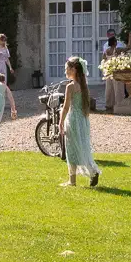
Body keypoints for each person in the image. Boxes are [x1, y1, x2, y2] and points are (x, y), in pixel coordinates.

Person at [57, 55, 100, 187]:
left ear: (73, 70)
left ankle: (72, 181)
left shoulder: (70, 87)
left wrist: (60, 122)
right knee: (82, 147)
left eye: (67, 68)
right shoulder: (83, 85)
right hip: (82, 119)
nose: (65, 71)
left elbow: (66, 107)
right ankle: (92, 170)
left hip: (73, 119)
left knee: (71, 149)